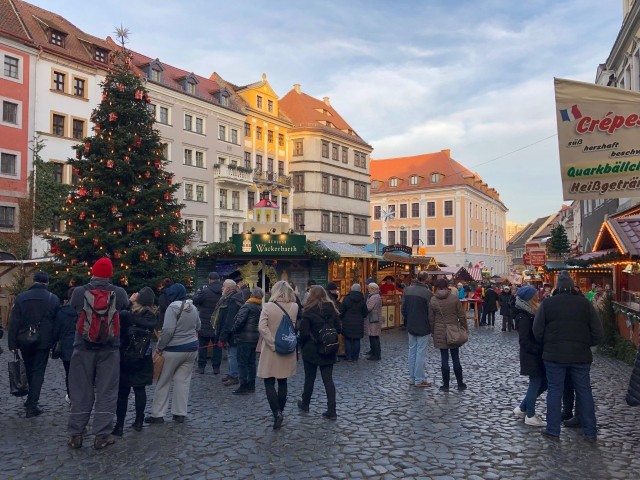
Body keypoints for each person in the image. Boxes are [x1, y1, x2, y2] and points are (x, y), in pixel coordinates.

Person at [533, 271, 604, 441]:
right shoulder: (585, 304)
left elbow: (537, 331)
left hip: (554, 356)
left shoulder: (548, 304)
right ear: (572, 287)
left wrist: (547, 344)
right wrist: (586, 344)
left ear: (558, 287)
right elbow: (598, 333)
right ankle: (590, 431)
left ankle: (553, 430)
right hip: (581, 356)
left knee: (555, 391)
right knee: (584, 392)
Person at [67, 258, 129, 450]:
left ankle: (76, 434)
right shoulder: (118, 293)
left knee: (80, 390)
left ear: (92, 272)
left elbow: (73, 309)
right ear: (110, 274)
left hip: (83, 346)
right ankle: (102, 435)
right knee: (107, 391)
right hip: (109, 348)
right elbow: (124, 306)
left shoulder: (79, 292)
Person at [8, 271, 61, 418]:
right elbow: (57, 323)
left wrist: (12, 342)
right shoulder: (53, 299)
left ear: (34, 281)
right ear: (47, 282)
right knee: (38, 371)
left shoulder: (21, 297)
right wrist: (54, 340)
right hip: (44, 341)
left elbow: (14, 322)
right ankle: (32, 405)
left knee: (29, 368)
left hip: (24, 339)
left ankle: (31, 400)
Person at [146, 283, 200, 425]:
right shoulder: (193, 307)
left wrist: (159, 347)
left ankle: (158, 414)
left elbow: (168, 331)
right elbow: (198, 326)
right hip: (192, 349)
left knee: (163, 381)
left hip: (173, 349)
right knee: (183, 381)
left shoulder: (172, 308)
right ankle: (179, 413)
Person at [113, 287, 158, 435]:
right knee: (140, 390)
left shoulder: (128, 314)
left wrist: (128, 302)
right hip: (143, 357)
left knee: (122, 393)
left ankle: (119, 426)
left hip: (125, 357)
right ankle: (139, 421)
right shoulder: (152, 316)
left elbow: (118, 316)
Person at [256, 280, 299, 430]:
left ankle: (276, 413)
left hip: (271, 349)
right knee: (283, 382)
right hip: (287, 347)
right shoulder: (294, 307)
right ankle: (280, 410)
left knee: (268, 381)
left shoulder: (268, 306)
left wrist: (272, 343)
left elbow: (262, 327)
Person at [298, 285, 342, 419]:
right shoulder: (332, 309)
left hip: (311, 349)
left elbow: (304, 333)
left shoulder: (308, 311)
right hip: (328, 347)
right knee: (328, 380)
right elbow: (339, 329)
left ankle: (305, 403)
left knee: (309, 379)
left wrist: (301, 345)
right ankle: (332, 409)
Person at [512, 285, 546, 427]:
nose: (538, 296)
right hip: (531, 355)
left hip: (534, 354)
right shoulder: (523, 315)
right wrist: (537, 349)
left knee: (543, 382)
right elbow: (524, 340)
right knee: (536, 382)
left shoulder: (530, 311)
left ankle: (522, 408)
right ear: (530, 298)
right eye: (535, 294)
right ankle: (530, 415)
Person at [429, 278, 468, 392]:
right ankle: (460, 383)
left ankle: (445, 385)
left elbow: (431, 319)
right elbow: (461, 315)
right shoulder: (454, 298)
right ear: (447, 286)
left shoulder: (433, 300)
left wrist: (433, 331)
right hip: (453, 329)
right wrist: (464, 328)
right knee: (456, 357)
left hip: (440, 330)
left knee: (444, 358)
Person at [402, 271, 433, 386]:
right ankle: (419, 379)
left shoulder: (408, 290)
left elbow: (403, 308)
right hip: (423, 325)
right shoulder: (427, 293)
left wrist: (408, 319)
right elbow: (430, 312)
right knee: (420, 353)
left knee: (412, 351)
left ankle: (412, 377)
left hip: (411, 324)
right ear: (426, 280)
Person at [230, 287, 263, 395]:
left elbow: (239, 321)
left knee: (242, 363)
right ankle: (251, 385)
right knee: (251, 363)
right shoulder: (260, 307)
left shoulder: (247, 306)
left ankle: (243, 385)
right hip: (255, 338)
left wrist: (233, 330)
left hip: (244, 338)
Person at [192, 272, 223, 374]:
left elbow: (195, 301)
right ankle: (216, 367)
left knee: (202, 346)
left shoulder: (205, 291)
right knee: (217, 346)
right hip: (218, 323)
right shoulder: (224, 291)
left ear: (209, 280)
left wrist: (197, 294)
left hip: (205, 322)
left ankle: (201, 367)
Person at [216, 279, 244, 387]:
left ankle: (234, 376)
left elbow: (229, 320)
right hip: (232, 333)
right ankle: (231, 373)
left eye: (223, 286)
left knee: (233, 355)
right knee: (230, 354)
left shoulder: (232, 300)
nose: (222, 288)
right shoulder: (232, 298)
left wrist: (222, 336)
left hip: (233, 333)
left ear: (228, 288)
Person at [54, 287, 78, 404]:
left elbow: (56, 329)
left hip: (66, 345)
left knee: (68, 372)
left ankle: (71, 395)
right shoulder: (83, 311)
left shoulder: (62, 311)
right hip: (80, 345)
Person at [339, 284, 368, 362]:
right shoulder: (362, 299)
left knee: (347, 339)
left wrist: (341, 318)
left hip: (347, 321)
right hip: (358, 322)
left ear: (351, 289)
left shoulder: (346, 298)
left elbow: (342, 310)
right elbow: (365, 312)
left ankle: (348, 356)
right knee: (357, 339)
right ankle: (355, 357)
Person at [365, 283, 383, 361]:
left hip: (373, 319)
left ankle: (376, 355)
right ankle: (376, 353)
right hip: (376, 318)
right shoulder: (377, 296)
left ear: (372, 289)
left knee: (373, 337)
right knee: (375, 336)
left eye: (369, 288)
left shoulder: (373, 297)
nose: (368, 290)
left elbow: (369, 308)